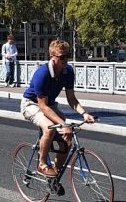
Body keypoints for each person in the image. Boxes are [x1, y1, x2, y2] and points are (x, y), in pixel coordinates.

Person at [21, 39, 95, 178]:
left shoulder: (68, 71)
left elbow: (71, 99)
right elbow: (42, 106)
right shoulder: (42, 74)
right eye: (62, 57)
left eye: (67, 56)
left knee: (68, 136)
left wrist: (84, 114)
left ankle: (55, 173)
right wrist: (62, 124)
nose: (65, 60)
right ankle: (42, 165)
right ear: (52, 57)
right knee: (49, 129)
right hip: (31, 104)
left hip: (50, 106)